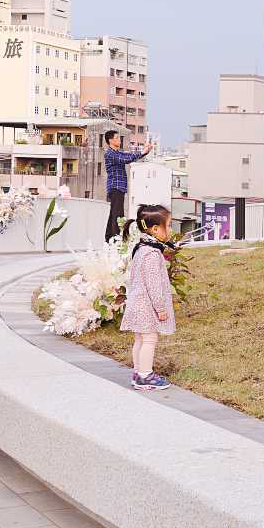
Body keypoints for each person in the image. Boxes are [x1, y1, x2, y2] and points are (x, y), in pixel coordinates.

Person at [119, 204, 177, 391]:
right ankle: (145, 375)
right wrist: (160, 309)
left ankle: (138, 372)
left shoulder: (142, 248)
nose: (170, 230)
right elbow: (154, 285)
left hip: (137, 303)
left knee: (140, 339)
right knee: (150, 340)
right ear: (155, 229)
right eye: (168, 226)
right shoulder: (151, 254)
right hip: (146, 306)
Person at [102, 131, 148, 242]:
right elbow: (126, 159)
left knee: (114, 213)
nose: (119, 140)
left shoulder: (117, 152)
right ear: (111, 140)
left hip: (119, 187)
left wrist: (144, 152)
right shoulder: (110, 153)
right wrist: (142, 152)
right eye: (117, 138)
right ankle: (117, 239)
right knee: (118, 214)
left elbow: (128, 156)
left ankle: (109, 238)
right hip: (115, 187)